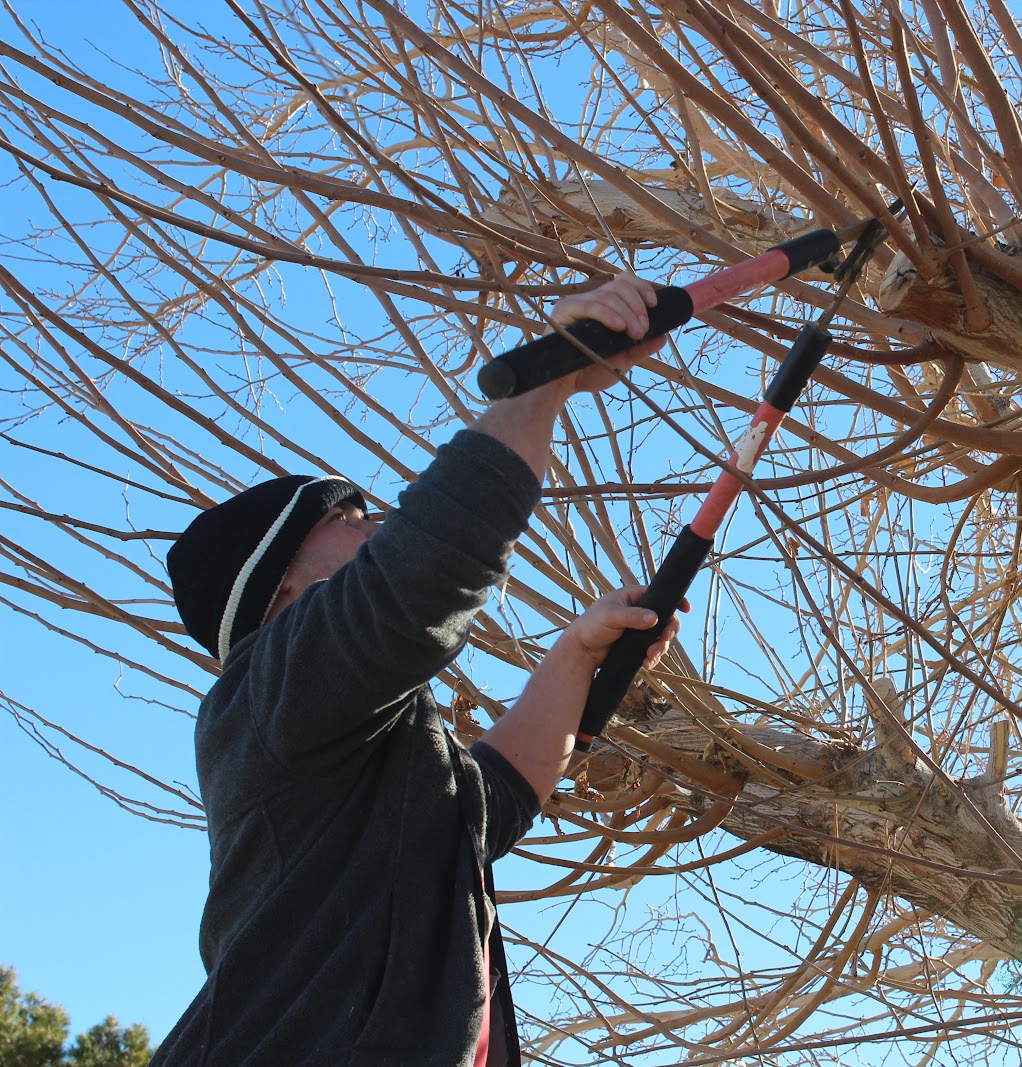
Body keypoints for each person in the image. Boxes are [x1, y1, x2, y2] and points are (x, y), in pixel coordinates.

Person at [154, 276, 682, 1066]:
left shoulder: (357, 746)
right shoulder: (266, 689)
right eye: (350, 518)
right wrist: (548, 377)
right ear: (283, 586)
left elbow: (487, 801)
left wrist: (577, 656)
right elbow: (424, 571)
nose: (381, 524)